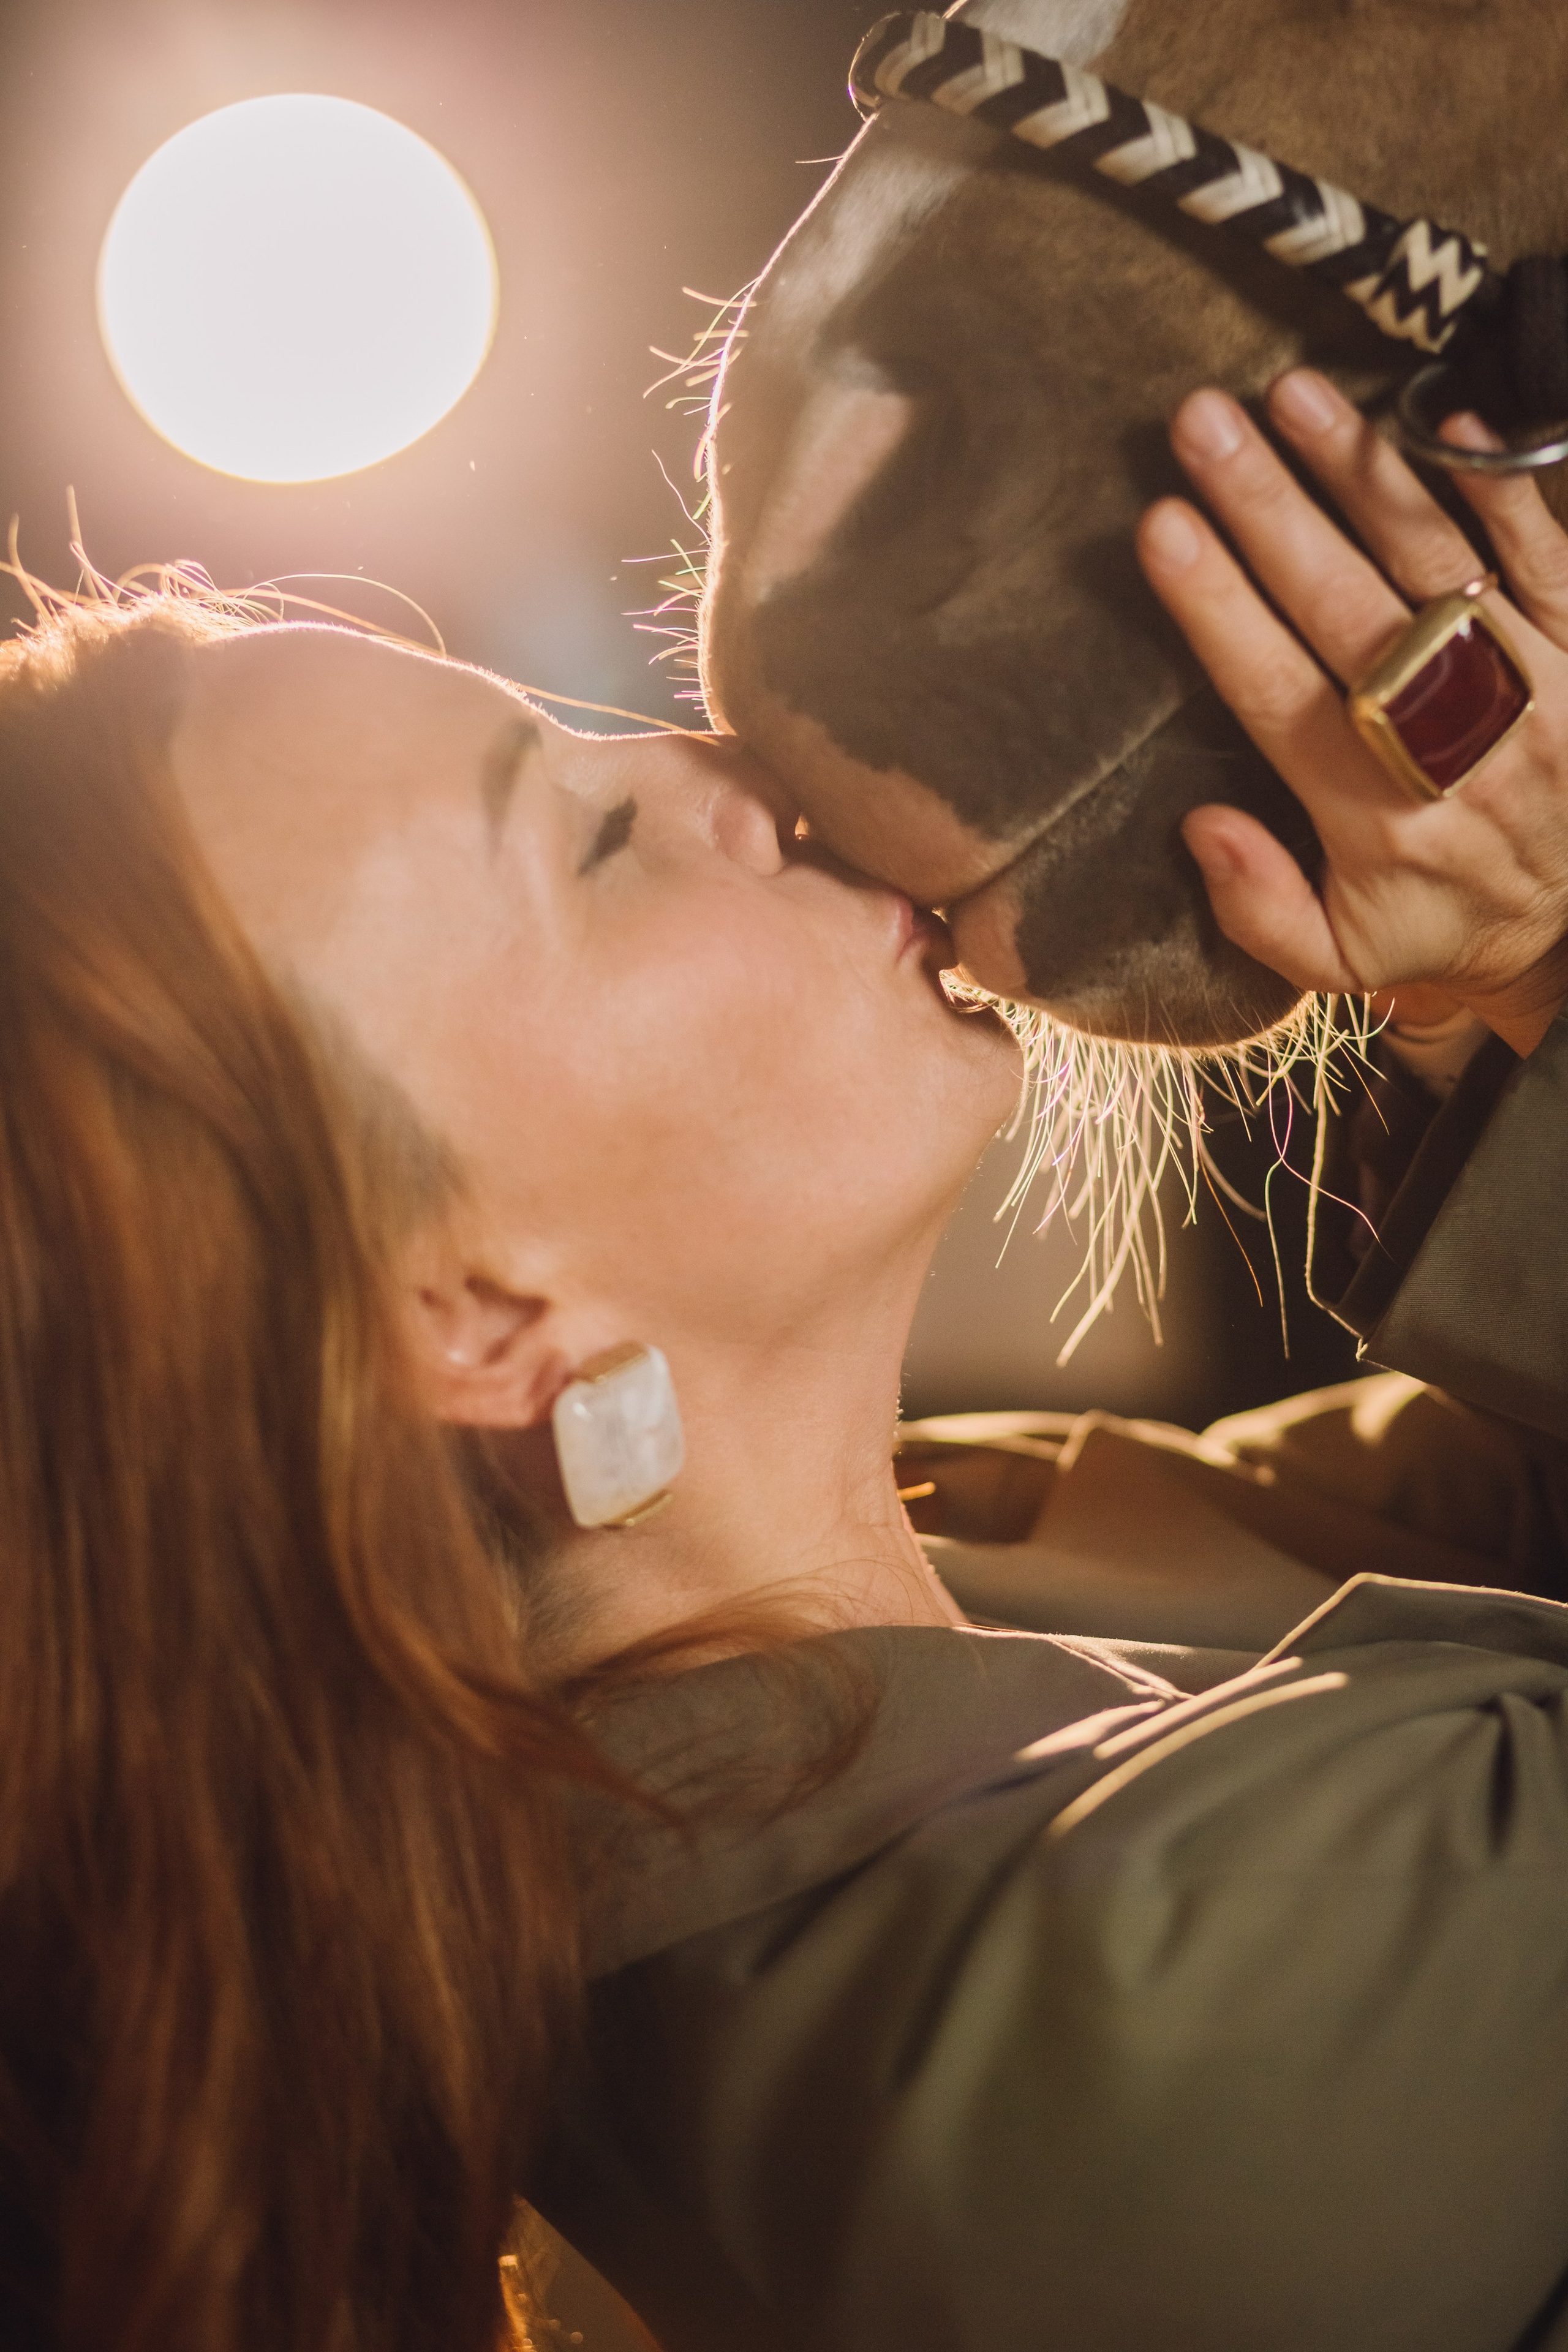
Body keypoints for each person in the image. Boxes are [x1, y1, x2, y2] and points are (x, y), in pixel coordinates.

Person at [8, 365, 1568, 2352]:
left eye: (587, 727)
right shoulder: (1090, 2082)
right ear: (485, 1321)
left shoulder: (975, 1539)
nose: (721, 763)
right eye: (589, 839)